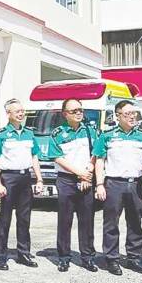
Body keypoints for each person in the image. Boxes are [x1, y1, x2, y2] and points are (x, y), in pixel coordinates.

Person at [93, 100, 142, 276]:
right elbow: (99, 160)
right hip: (114, 184)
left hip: (135, 183)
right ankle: (111, 259)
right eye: (128, 114)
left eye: (134, 113)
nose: (133, 116)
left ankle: (134, 258)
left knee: (135, 222)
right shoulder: (107, 136)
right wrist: (99, 184)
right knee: (111, 223)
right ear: (117, 116)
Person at [0, 98, 43, 270]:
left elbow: (34, 157)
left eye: (22, 110)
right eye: (17, 111)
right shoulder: (1, 134)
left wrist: (39, 179)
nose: (21, 113)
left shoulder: (29, 133)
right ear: (8, 114)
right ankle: (1, 256)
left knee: (24, 218)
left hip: (25, 178)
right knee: (5, 218)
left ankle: (23, 253)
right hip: (8, 179)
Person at [46, 98, 98, 272]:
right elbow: (58, 158)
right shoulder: (57, 133)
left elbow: (96, 153)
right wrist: (79, 173)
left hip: (86, 180)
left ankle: (88, 257)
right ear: (65, 114)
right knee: (65, 221)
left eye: (80, 110)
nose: (78, 113)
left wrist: (86, 176)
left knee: (87, 221)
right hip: (66, 181)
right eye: (74, 110)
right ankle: (64, 257)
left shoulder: (90, 131)